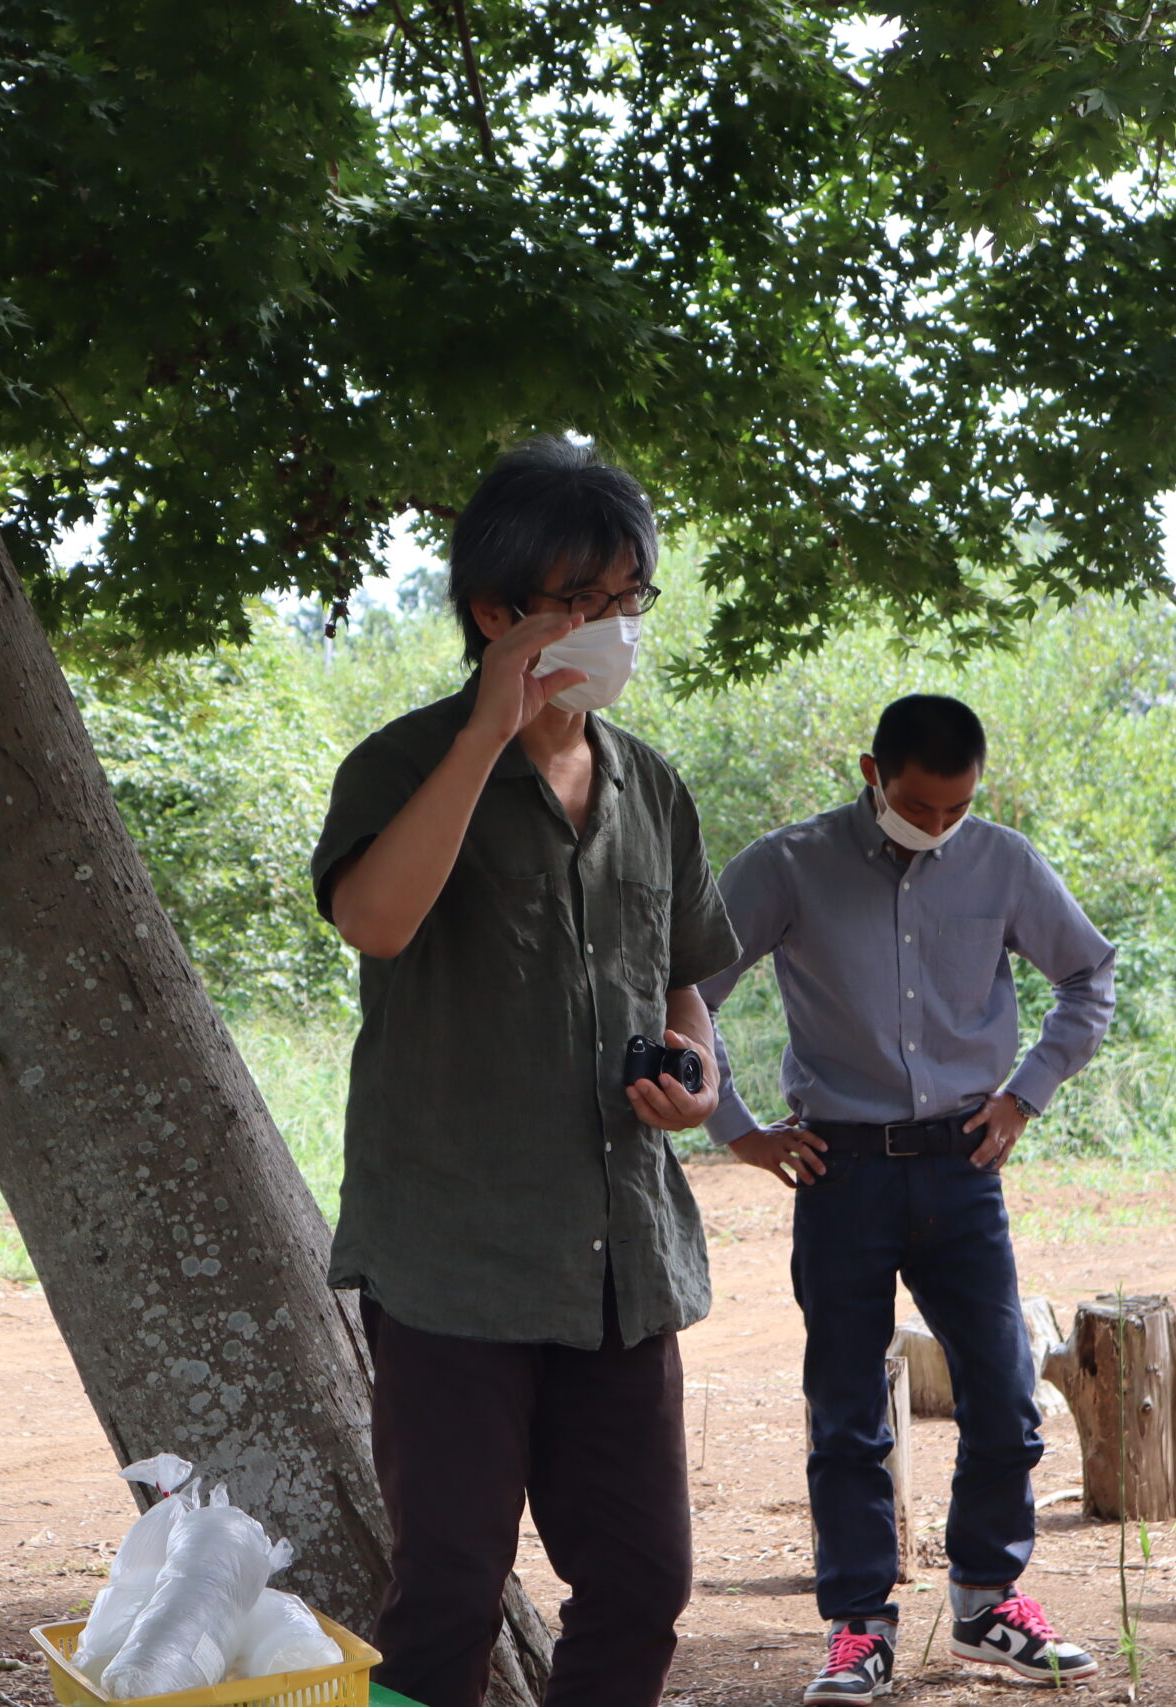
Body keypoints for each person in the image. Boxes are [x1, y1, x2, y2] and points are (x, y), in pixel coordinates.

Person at [309, 436, 741, 1707]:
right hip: (452, 1259)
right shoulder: (401, 765)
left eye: (629, 598)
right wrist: (487, 733)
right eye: (581, 601)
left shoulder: (650, 785)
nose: (614, 627)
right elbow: (375, 922)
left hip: (620, 1260)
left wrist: (698, 1077)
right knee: (446, 1591)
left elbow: (685, 979)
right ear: (498, 614)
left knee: (642, 1583)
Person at [697, 693, 1117, 1700]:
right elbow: (687, 991)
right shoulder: (787, 865)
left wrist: (1026, 1094)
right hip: (837, 1171)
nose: (937, 826)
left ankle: (987, 1604)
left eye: (956, 809)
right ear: (871, 774)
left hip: (962, 1166)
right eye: (918, 806)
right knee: (847, 1411)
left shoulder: (1003, 862)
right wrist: (738, 1129)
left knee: (1005, 1394)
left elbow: (1089, 977)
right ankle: (859, 1628)